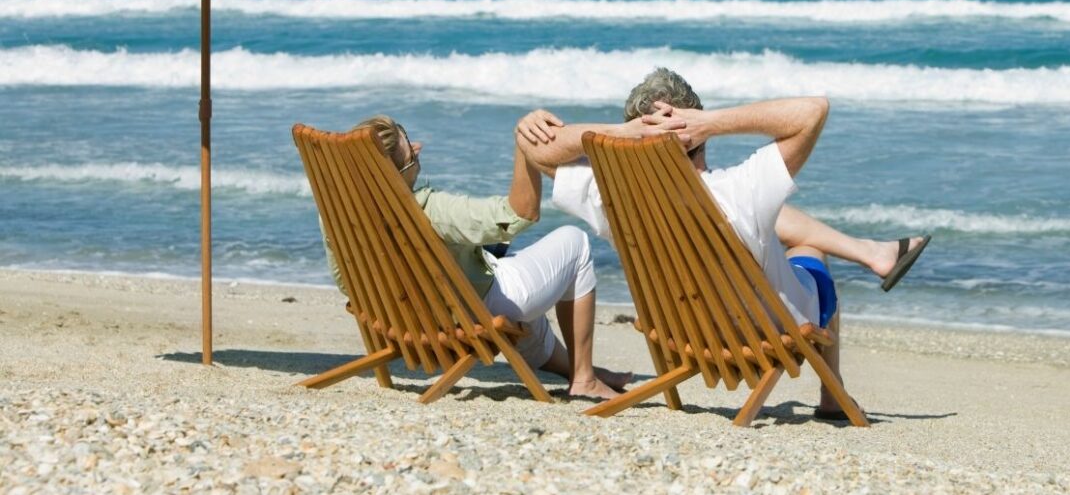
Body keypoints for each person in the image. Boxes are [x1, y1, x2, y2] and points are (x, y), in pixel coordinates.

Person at [514, 68, 931, 419]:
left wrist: (620, 133)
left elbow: (537, 150)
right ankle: (831, 394)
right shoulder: (741, 189)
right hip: (767, 332)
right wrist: (711, 121)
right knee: (807, 254)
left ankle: (871, 252)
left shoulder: (609, 197)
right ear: (696, 130)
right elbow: (813, 109)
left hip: (682, 335)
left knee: (771, 221)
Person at [320, 114, 630, 400]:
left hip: (411, 319)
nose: (418, 146)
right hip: (469, 312)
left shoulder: (336, 215)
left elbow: (346, 284)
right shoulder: (430, 211)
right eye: (411, 153)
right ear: (396, 174)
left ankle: (579, 370)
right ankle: (584, 380)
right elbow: (519, 214)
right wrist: (524, 147)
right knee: (574, 243)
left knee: (520, 284)